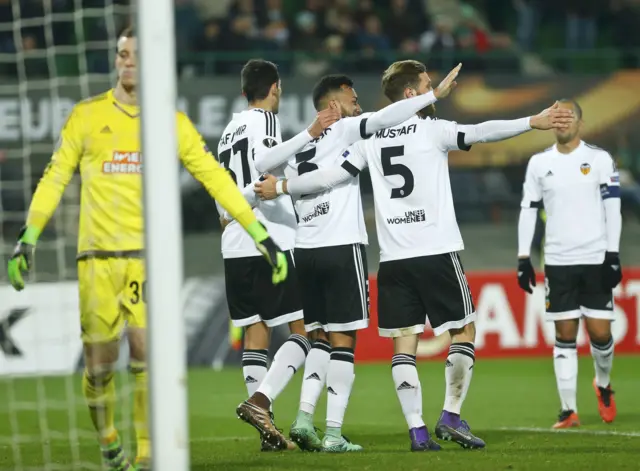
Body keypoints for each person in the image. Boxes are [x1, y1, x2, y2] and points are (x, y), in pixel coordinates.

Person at [6, 28, 287, 471]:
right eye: (121, 54)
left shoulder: (169, 122)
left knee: (144, 353)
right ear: (116, 60)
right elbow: (55, 176)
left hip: (144, 260)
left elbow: (214, 177)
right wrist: (29, 235)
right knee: (99, 369)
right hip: (95, 261)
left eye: (136, 54)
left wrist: (259, 232)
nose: (128, 61)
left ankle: (145, 452)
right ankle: (108, 436)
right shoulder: (85, 116)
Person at [255, 60, 574, 451]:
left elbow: (330, 177)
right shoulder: (432, 129)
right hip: (436, 250)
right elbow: (481, 131)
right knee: (464, 331)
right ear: (412, 94)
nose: (432, 89)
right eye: (426, 84)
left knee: (403, 344)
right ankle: (451, 416)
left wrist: (284, 185)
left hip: (393, 260)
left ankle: (417, 431)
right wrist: (532, 121)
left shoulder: (367, 142)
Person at [239, 63, 462, 453]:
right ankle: (332, 432)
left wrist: (232, 208)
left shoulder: (300, 144)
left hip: (304, 251)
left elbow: (261, 171)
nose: (359, 105)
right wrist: (432, 96)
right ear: (336, 101)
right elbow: (389, 115)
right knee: (344, 342)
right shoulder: (345, 128)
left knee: (318, 338)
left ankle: (304, 417)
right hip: (341, 246)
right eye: (353, 98)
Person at [218, 59, 340, 451]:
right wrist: (311, 132)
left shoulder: (226, 132)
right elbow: (264, 167)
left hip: (233, 243)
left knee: (256, 333)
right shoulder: (264, 120)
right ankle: (261, 401)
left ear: (242, 91)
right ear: (275, 88)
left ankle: (268, 432)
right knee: (304, 332)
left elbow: (225, 185)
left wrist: (227, 211)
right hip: (267, 241)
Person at [517, 99, 621, 429]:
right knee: (564, 333)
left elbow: (613, 209)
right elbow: (528, 210)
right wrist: (523, 258)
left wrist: (613, 254)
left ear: (580, 122)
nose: (562, 122)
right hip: (558, 261)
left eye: (569, 116)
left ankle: (603, 385)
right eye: (557, 116)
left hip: (596, 258)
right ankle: (568, 410)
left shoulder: (599, 159)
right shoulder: (538, 163)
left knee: (600, 334)